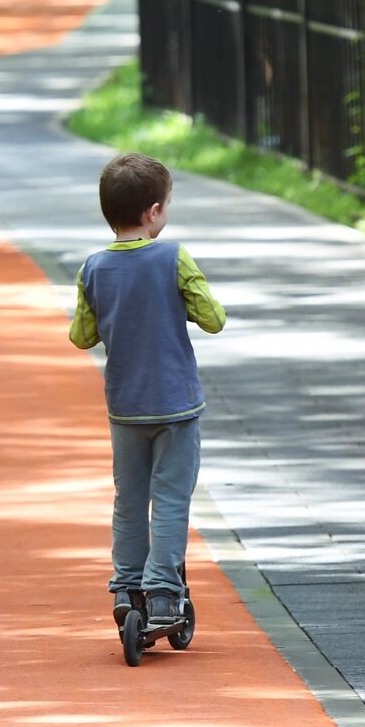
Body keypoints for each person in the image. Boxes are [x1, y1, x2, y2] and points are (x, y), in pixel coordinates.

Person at [68, 152, 226, 628]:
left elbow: (81, 336)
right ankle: (162, 591)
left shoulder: (93, 268)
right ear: (153, 211)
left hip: (126, 407)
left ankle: (125, 586)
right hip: (176, 405)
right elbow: (213, 320)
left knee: (130, 500)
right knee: (172, 500)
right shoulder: (173, 257)